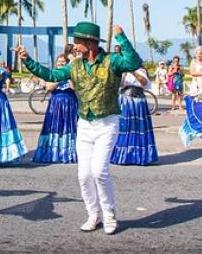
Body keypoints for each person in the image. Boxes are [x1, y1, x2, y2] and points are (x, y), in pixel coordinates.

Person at [19, 21, 141, 235]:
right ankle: (93, 214)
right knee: (84, 175)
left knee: (99, 172)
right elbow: (52, 76)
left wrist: (121, 37)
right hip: (84, 124)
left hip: (107, 122)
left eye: (78, 42)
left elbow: (134, 62)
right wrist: (27, 60)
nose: (74, 46)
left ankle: (109, 213)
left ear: (90, 43)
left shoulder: (112, 61)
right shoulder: (74, 65)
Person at [32, 54, 78, 163]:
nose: (61, 64)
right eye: (59, 62)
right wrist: (61, 76)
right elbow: (49, 87)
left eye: (63, 62)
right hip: (55, 105)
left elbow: (74, 87)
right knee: (55, 127)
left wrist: (69, 74)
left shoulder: (71, 74)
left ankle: (69, 153)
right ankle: (54, 152)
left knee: (69, 127)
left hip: (70, 104)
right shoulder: (53, 74)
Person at [110, 65, 158, 165]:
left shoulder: (141, 70)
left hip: (138, 100)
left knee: (139, 129)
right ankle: (124, 156)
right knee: (125, 128)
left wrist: (132, 71)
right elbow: (119, 85)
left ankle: (141, 156)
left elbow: (144, 82)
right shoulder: (123, 71)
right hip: (126, 100)